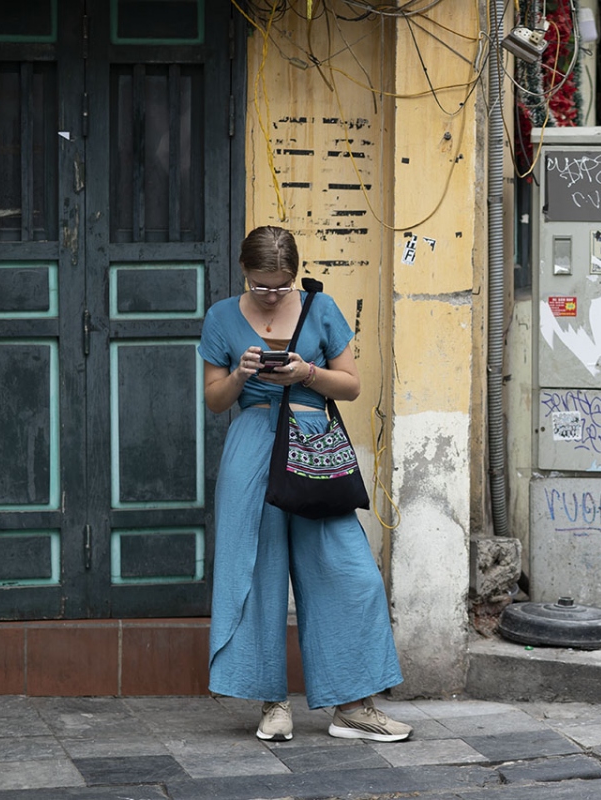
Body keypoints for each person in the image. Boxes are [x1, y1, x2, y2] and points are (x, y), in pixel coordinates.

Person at [199, 225, 411, 744]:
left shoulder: (321, 308)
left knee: (351, 574)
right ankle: (272, 705)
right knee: (258, 573)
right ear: (243, 273)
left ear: (295, 274)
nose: (272, 294)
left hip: (313, 449)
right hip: (252, 452)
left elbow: (353, 385)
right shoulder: (222, 316)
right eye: (261, 285)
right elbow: (213, 400)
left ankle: (354, 707)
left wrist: (305, 374)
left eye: (282, 285)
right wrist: (240, 374)